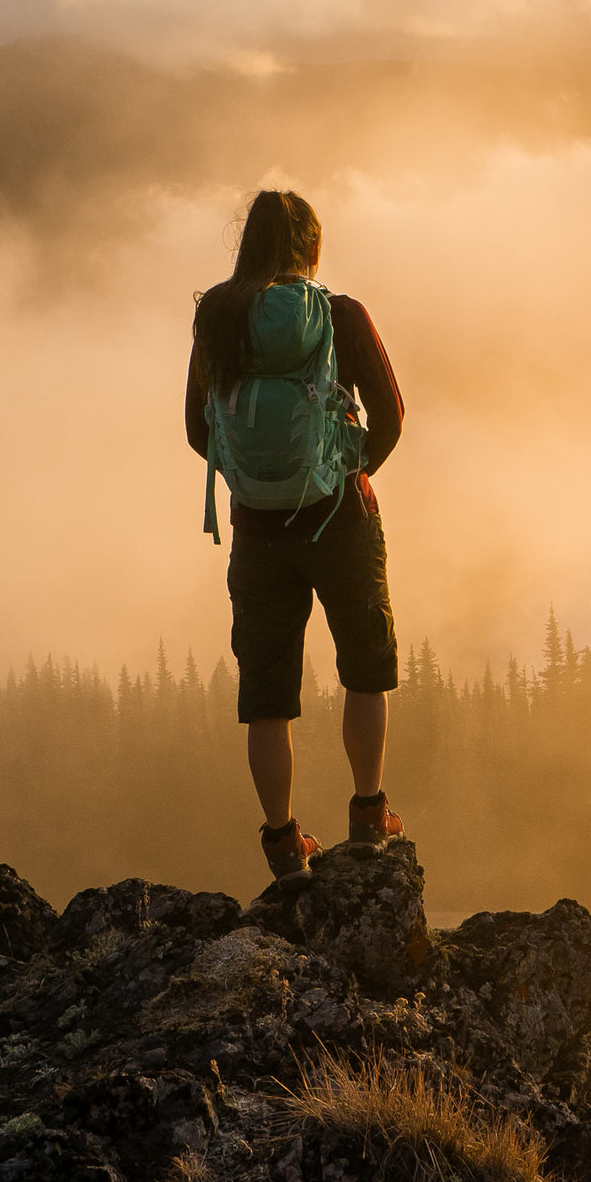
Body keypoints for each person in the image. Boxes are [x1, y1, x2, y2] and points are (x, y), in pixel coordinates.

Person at [186, 189, 405, 879]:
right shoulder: (338, 316)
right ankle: (369, 816)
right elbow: (394, 414)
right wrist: (350, 466)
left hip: (256, 530)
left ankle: (283, 844)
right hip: (341, 517)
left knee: (267, 695)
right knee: (365, 667)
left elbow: (198, 430)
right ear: (311, 247)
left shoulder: (218, 317)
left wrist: (256, 479)